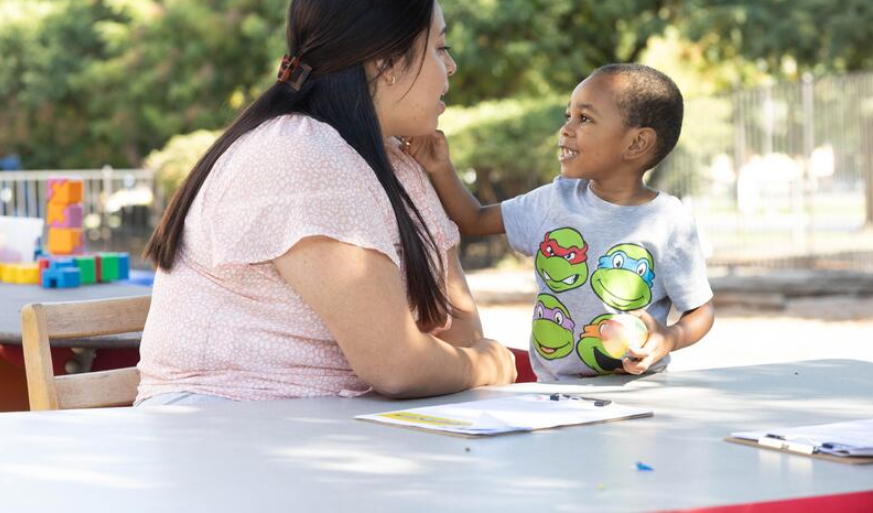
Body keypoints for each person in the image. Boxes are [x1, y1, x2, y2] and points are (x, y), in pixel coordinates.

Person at [135, 0, 516, 406]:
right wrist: (487, 364)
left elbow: (457, 330)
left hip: (322, 425)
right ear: (385, 63)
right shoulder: (303, 155)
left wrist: (470, 357)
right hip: (225, 424)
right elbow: (398, 365)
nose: (451, 67)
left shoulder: (397, 163)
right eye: (440, 48)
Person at [407, 64, 715, 381]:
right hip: (553, 392)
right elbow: (473, 219)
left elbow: (701, 311)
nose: (566, 129)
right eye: (568, 116)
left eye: (585, 119)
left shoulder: (667, 220)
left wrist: (669, 337)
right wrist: (440, 167)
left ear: (636, 143)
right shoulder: (553, 201)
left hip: (637, 392)